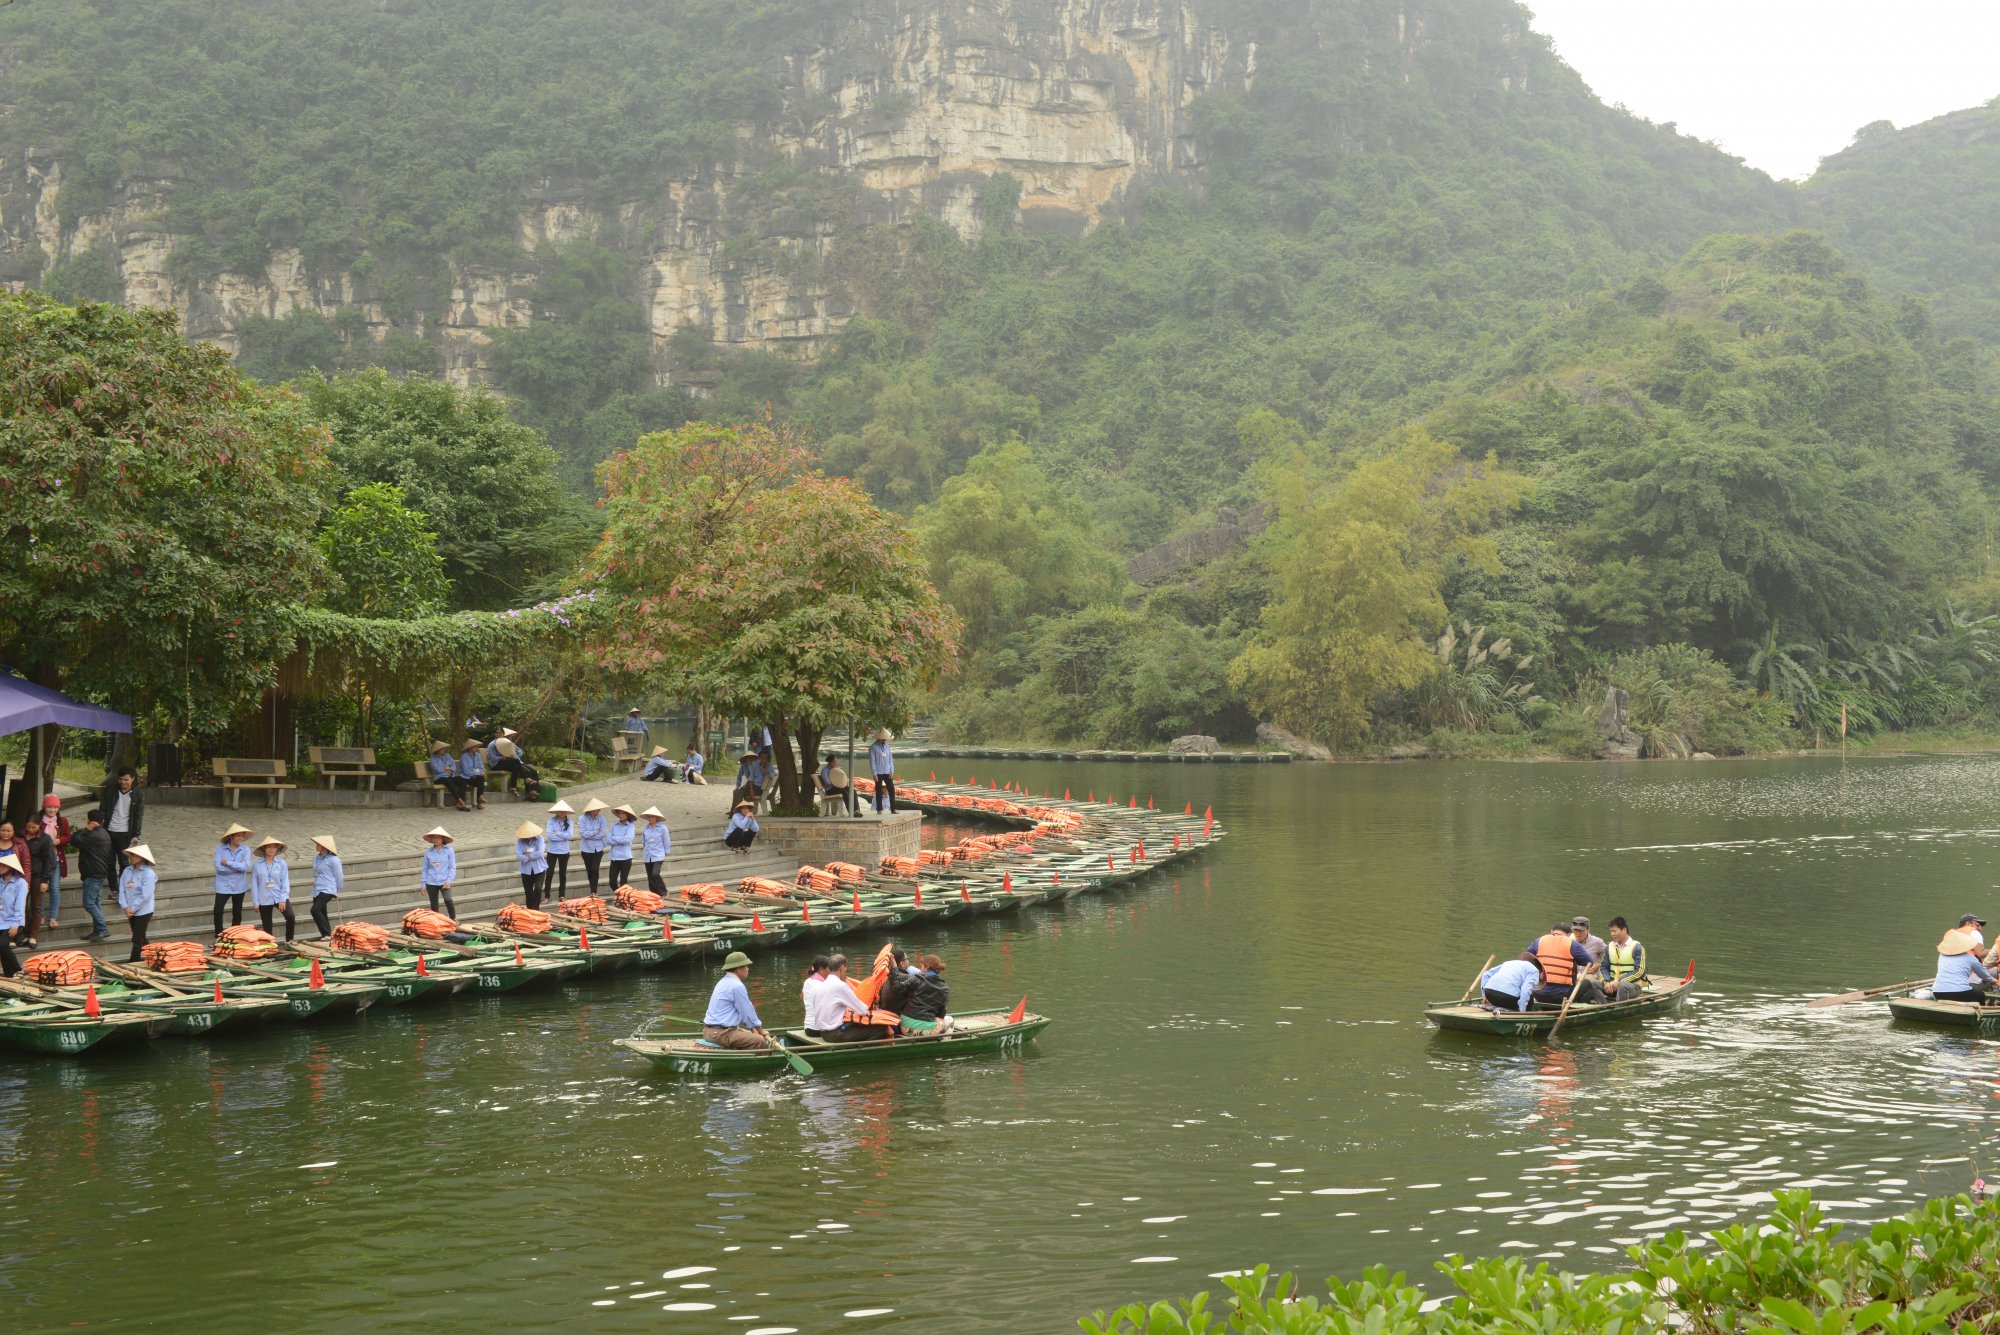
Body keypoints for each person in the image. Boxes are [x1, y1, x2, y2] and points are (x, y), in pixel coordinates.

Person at [702, 951, 775, 1049]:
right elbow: (748, 1013)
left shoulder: (722, 982)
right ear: (738, 969)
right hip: (721, 1034)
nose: (748, 969)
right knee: (759, 1040)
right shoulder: (737, 986)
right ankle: (765, 1062)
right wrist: (760, 1031)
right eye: (746, 966)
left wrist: (753, 1028)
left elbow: (740, 1014)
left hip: (708, 1031)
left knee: (751, 1034)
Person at [1530, 920, 1603, 1005]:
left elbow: (1527, 957)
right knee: (1588, 983)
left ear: (1551, 931)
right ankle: (1577, 1010)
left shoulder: (1539, 941)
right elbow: (1589, 962)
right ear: (1569, 935)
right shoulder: (1572, 944)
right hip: (1560, 996)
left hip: (1537, 993)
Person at [805, 953, 870, 1037]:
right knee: (878, 1028)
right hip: (832, 1033)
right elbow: (862, 1010)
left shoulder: (820, 984)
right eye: (846, 969)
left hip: (820, 1030)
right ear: (842, 968)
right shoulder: (840, 985)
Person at [72, 809, 113, 942]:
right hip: (99, 872)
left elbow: (75, 840)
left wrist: (85, 829)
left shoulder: (92, 835)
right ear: (102, 821)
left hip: (93, 873)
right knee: (95, 902)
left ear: (91, 821)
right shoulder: (104, 833)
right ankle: (97, 930)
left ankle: (102, 929)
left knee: (89, 904)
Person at [1934, 925, 1997, 1003]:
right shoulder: (1969, 957)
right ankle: (1980, 1013)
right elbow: (1983, 974)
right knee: (1980, 995)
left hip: (1937, 992)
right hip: (1960, 992)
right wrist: (1994, 981)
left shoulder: (1942, 956)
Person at [250, 835, 295, 942]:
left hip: (279, 895)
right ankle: (269, 945)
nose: (271, 849)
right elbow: (254, 884)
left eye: (274, 847)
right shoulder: (257, 865)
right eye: (268, 847)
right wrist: (256, 902)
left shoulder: (282, 863)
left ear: (277, 849)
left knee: (290, 916)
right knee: (267, 925)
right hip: (264, 897)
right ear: (264, 849)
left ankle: (289, 940)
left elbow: (285, 882)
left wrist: (283, 899)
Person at [117, 843, 158, 962]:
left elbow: (145, 896)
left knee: (137, 938)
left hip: (144, 910)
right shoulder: (127, 870)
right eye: (131, 855)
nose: (132, 857)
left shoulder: (148, 874)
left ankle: (133, 962)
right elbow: (122, 889)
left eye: (135, 855)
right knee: (141, 938)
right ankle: (154, 957)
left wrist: (132, 908)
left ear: (142, 857)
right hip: (130, 909)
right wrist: (125, 906)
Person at [213, 822, 253, 936]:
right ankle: (219, 935)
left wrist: (228, 863)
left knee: (237, 912)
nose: (240, 838)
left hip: (239, 885)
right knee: (218, 911)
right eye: (238, 835)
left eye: (242, 836)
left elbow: (246, 867)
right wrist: (237, 866)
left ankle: (234, 936)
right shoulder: (220, 849)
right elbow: (219, 868)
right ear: (231, 836)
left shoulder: (245, 849)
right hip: (223, 885)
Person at [37, 795, 70, 933]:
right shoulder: (38, 821)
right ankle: (40, 915)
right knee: (41, 888)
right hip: (41, 861)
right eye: (50, 807)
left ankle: (53, 917)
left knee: (55, 888)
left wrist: (60, 840)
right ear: (44, 807)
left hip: (56, 859)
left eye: (55, 807)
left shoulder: (62, 821)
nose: (52, 810)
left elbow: (68, 836)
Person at [20, 815, 54, 945]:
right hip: (21, 875)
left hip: (37, 875)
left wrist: (45, 880)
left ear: (40, 825)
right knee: (22, 905)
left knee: (36, 905)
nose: (30, 829)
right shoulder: (20, 837)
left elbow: (50, 861)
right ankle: (25, 933)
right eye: (28, 827)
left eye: (33, 827)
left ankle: (33, 935)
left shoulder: (45, 839)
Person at [100, 766, 143, 865]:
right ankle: (112, 881)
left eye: (126, 780)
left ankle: (123, 880)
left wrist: (136, 834)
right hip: (109, 830)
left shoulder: (138, 795)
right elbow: (103, 810)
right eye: (120, 779)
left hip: (124, 833)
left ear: (132, 779)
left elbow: (138, 816)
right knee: (109, 861)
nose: (123, 782)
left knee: (124, 862)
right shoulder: (109, 791)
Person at [1481, 952, 1546, 1012]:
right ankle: (1525, 1017)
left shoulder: (1509, 962)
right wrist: (1522, 1011)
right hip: (1506, 998)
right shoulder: (1534, 970)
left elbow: (1486, 974)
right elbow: (1526, 990)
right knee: (1529, 997)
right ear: (1538, 969)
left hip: (1489, 994)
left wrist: (1485, 997)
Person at [1603, 917, 1648, 1000]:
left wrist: (1620, 980)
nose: (1612, 934)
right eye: (1611, 931)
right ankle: (1601, 1006)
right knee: (1592, 984)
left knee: (1622, 986)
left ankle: (1619, 1009)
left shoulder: (1637, 948)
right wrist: (1606, 982)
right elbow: (1604, 967)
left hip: (1632, 987)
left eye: (1614, 931)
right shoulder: (1608, 947)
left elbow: (1640, 971)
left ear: (1624, 930)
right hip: (1611, 986)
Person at [308, 835, 342, 940]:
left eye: (319, 844)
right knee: (322, 911)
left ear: (324, 846)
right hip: (317, 888)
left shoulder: (333, 860)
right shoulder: (316, 858)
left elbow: (339, 876)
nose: (317, 846)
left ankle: (326, 933)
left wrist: (338, 890)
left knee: (315, 909)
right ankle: (326, 934)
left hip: (328, 888)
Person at [421, 827, 458, 917]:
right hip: (431, 881)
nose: (436, 839)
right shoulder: (428, 852)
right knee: (434, 905)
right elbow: (425, 868)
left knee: (448, 899)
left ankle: (453, 919)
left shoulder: (449, 851)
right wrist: (423, 884)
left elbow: (452, 867)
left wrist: (449, 881)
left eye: (438, 837)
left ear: (443, 839)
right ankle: (437, 922)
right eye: (435, 837)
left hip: (444, 881)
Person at [906, 954, 951, 1027]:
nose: (920, 969)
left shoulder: (916, 979)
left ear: (927, 967)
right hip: (920, 1026)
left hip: (905, 1023)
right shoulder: (944, 988)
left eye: (921, 966)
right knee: (949, 1020)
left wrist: (894, 969)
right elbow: (942, 1013)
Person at [544, 800, 576, 901]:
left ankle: (561, 895)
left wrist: (557, 832)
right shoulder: (551, 821)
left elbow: (569, 836)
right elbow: (549, 835)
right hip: (552, 850)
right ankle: (547, 896)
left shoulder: (570, 822)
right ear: (557, 812)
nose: (561, 813)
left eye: (563, 811)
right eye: (560, 811)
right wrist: (562, 836)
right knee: (549, 873)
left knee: (563, 873)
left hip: (564, 851)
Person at [577, 798, 609, 894]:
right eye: (595, 808)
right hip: (586, 848)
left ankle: (594, 891)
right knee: (589, 870)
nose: (598, 810)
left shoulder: (601, 818)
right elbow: (583, 834)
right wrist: (595, 832)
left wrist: (591, 835)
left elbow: (603, 833)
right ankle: (592, 889)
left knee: (595, 868)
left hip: (598, 847)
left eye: (599, 808)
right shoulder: (582, 818)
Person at [0, 852, 24, 977]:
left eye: (3, 865)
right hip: (1, 921)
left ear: (11, 867)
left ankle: (18, 970)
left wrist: (15, 924)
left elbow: (20, 905)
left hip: (14, 922)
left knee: (3, 945)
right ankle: (9, 975)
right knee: (2, 950)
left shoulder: (21, 883)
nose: (0, 867)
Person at [514, 821, 548, 908]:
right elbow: (519, 855)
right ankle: (529, 910)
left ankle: (536, 909)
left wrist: (528, 855)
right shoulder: (519, 841)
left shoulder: (539, 839)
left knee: (538, 889)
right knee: (528, 892)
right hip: (526, 870)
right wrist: (530, 856)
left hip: (539, 868)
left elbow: (540, 853)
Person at [427, 740, 469, 810]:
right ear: (438, 750)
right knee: (448, 781)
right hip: (439, 778)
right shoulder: (433, 759)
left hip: (449, 776)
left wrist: (450, 769)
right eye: (443, 748)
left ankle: (459, 803)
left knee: (462, 781)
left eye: (445, 748)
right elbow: (437, 770)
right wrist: (445, 768)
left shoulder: (447, 755)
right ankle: (460, 800)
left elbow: (453, 766)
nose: (445, 750)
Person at [640, 805, 672, 893]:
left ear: (656, 817)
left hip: (658, 855)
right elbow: (644, 842)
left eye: (652, 816)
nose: (650, 818)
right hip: (648, 855)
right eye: (649, 816)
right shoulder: (645, 829)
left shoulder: (662, 828)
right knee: (650, 877)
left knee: (655, 874)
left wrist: (666, 853)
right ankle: (654, 894)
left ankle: (664, 891)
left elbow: (666, 841)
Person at [606, 803, 638, 889]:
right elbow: (608, 840)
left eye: (623, 813)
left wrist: (614, 838)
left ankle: (622, 898)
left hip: (625, 857)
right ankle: (619, 896)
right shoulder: (613, 825)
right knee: (612, 881)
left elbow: (627, 839)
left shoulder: (631, 826)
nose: (620, 815)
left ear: (627, 815)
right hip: (615, 857)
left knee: (623, 882)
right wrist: (620, 839)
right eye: (619, 813)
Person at [869, 728, 897, 814]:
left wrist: (892, 771)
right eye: (883, 738)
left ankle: (893, 809)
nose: (885, 739)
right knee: (878, 790)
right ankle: (879, 809)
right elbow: (872, 761)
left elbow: (890, 759)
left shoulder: (887, 746)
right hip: (878, 772)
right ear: (879, 738)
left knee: (891, 790)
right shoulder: (873, 747)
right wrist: (874, 774)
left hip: (887, 771)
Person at [457, 739, 487, 808]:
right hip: (466, 777)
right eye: (475, 746)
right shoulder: (464, 756)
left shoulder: (478, 755)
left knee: (481, 778)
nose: (477, 748)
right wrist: (477, 772)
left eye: (477, 746)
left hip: (475, 777)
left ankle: (480, 799)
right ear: (470, 747)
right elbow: (466, 771)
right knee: (479, 777)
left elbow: (481, 767)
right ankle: (480, 800)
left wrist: (479, 772)